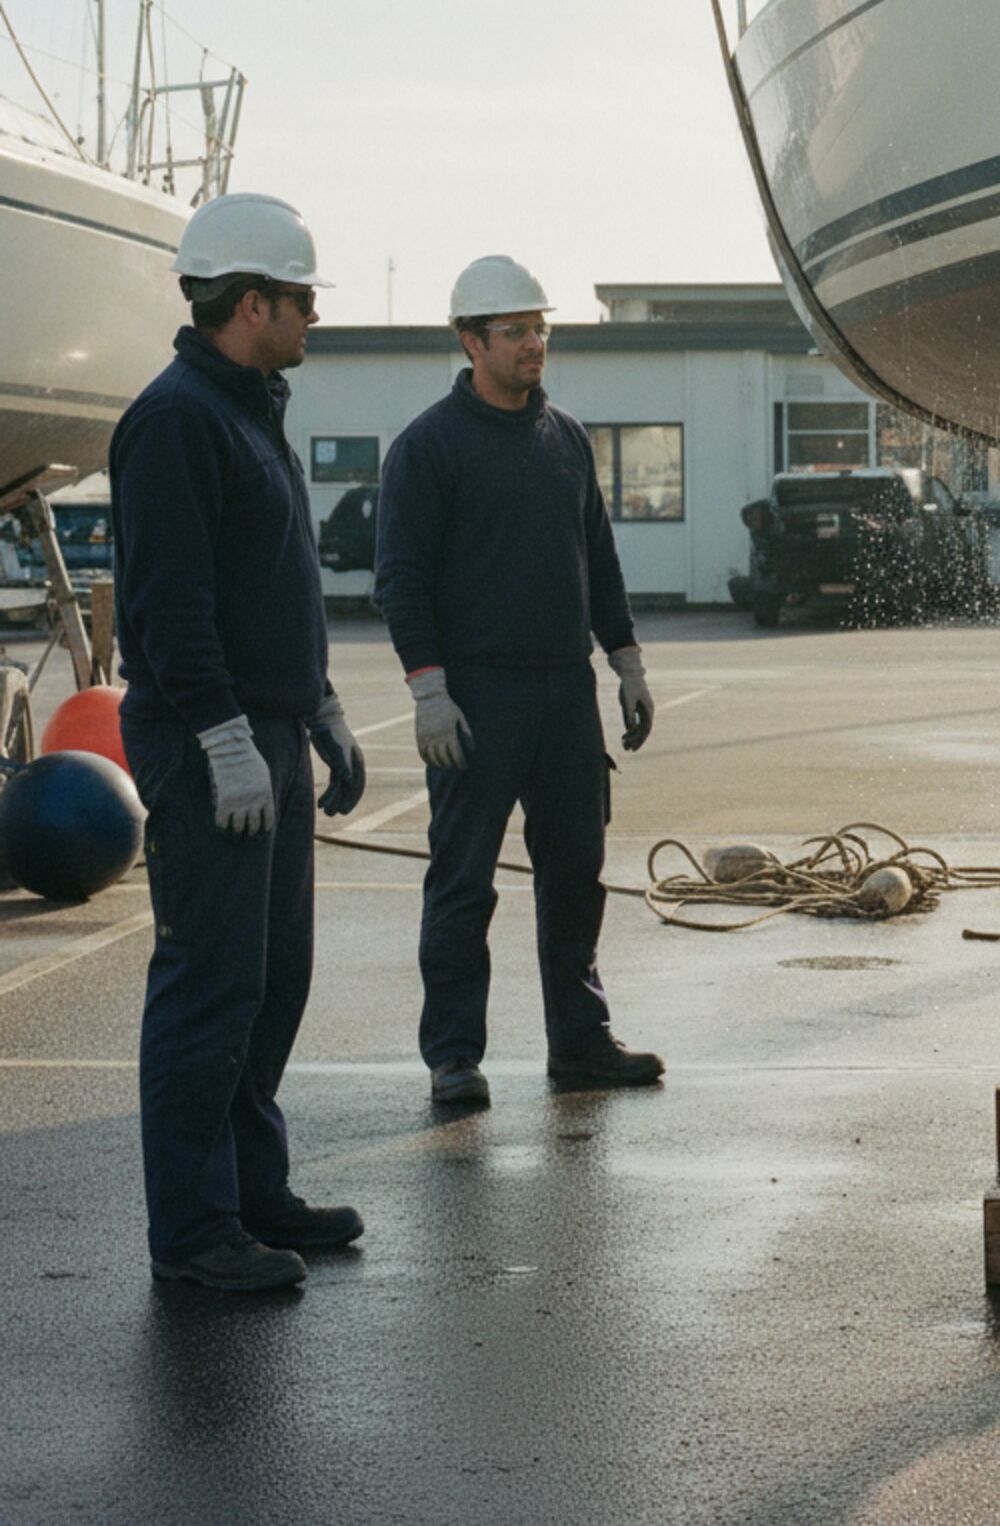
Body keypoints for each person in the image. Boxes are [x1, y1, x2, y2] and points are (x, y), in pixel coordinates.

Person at [111, 192, 368, 1293]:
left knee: (271, 980)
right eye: (302, 296)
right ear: (249, 300)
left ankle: (253, 1191)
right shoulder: (177, 419)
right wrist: (221, 735)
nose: (314, 314)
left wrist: (317, 710)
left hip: (265, 725)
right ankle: (194, 1231)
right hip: (205, 735)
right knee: (209, 984)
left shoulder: (246, 407)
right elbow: (169, 605)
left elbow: (272, 587)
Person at [374, 254, 661, 1109]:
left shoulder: (565, 437)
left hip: (562, 694)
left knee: (576, 873)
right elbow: (400, 577)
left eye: (542, 328)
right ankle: (454, 1055)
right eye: (516, 332)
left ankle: (580, 1043)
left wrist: (627, 661)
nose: (535, 344)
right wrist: (428, 689)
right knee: (463, 881)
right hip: (476, 699)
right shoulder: (429, 448)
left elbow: (598, 558)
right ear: (471, 342)